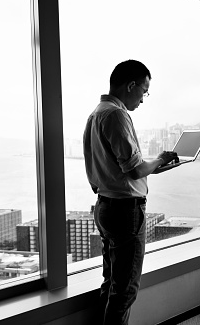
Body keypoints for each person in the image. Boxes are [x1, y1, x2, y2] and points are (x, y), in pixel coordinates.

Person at [83, 59, 178, 325]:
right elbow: (134, 169)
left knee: (112, 282)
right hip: (124, 212)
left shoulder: (96, 114)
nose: (144, 99)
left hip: (104, 206)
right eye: (144, 91)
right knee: (125, 290)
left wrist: (156, 165)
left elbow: (114, 167)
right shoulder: (116, 114)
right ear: (131, 85)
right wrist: (158, 160)